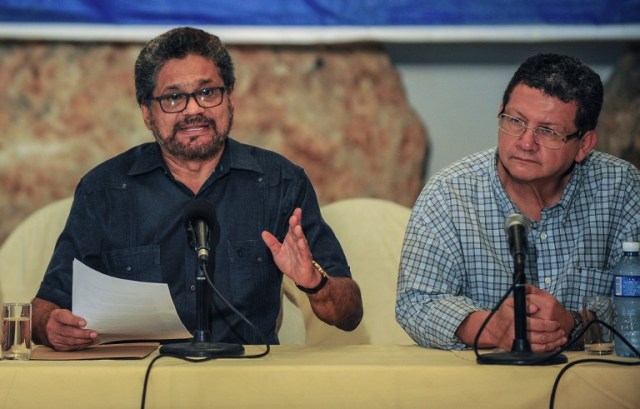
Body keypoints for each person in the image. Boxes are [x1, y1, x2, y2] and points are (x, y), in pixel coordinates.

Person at [32, 27, 363, 351]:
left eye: (207, 93)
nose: (194, 110)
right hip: (139, 383)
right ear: (147, 113)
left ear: (230, 98)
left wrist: (314, 281)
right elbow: (44, 308)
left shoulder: (279, 183)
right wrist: (51, 326)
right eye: (174, 97)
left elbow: (349, 313)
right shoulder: (104, 190)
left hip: (248, 381)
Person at [396, 53, 640, 351]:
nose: (525, 143)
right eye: (515, 121)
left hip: (595, 385)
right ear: (500, 113)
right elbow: (416, 303)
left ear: (584, 145)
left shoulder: (621, 188)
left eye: (547, 131)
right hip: (488, 387)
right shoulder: (450, 193)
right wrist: (491, 329)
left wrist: (576, 323)